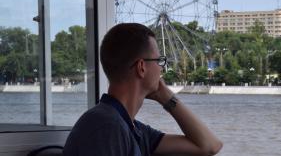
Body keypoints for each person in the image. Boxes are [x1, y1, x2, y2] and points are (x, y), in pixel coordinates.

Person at [63, 23, 223, 156]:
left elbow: (209, 146)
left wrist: (167, 97)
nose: (162, 69)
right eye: (159, 61)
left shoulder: (131, 128)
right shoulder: (107, 129)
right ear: (141, 67)